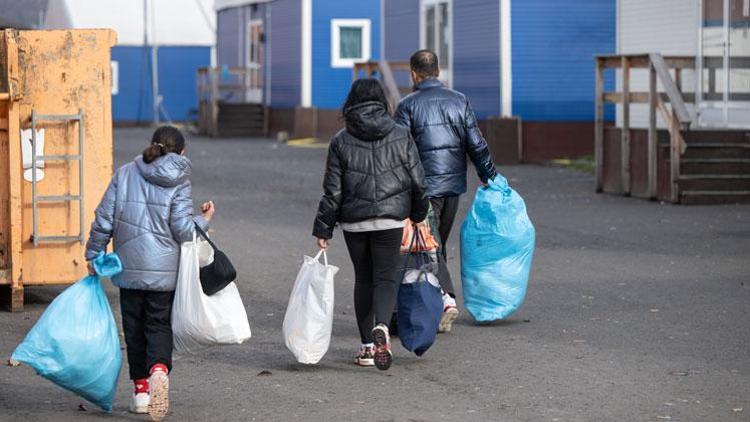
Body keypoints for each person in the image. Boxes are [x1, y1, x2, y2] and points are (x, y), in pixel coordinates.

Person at [84, 126, 214, 420]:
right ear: (182, 152)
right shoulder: (179, 182)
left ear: (151, 145)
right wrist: (203, 219)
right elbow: (182, 230)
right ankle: (159, 370)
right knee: (158, 325)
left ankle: (141, 392)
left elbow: (103, 219)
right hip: (164, 273)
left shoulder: (125, 173)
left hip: (128, 270)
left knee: (134, 330)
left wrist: (94, 255)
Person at [313, 78, 429, 371]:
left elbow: (333, 190)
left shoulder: (341, 139)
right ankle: (382, 326)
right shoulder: (401, 134)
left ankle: (366, 347)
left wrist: (324, 229)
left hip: (355, 222)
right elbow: (419, 182)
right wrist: (417, 215)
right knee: (386, 278)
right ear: (382, 101)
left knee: (363, 279)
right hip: (391, 219)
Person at [395, 49, 497, 333]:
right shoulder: (460, 101)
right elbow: (476, 143)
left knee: (430, 246)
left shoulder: (407, 106)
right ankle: (437, 301)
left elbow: (399, 149)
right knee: (436, 244)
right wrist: (489, 176)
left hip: (422, 189)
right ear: (438, 72)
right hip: (453, 187)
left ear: (414, 74)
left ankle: (446, 300)